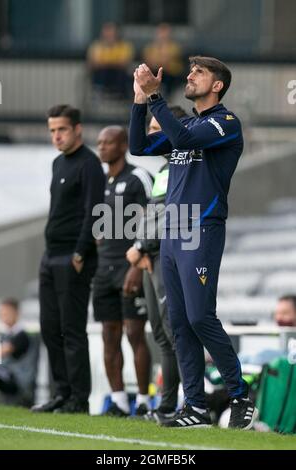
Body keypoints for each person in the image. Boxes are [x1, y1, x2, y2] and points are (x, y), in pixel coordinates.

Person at [129, 56, 258, 429]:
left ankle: (239, 394)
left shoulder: (225, 123)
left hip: (201, 229)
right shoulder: (185, 122)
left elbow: (183, 139)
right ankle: (196, 407)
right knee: (180, 323)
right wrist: (140, 100)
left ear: (217, 85)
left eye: (198, 72)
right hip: (172, 233)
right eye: (190, 71)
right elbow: (138, 145)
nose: (189, 76)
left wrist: (155, 99)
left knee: (201, 316)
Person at [32, 105, 105, 414]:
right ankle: (61, 392)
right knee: (50, 327)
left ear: (77, 129)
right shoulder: (57, 164)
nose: (56, 136)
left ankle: (79, 398)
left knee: (72, 329)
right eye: (51, 131)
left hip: (73, 257)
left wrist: (80, 251)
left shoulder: (89, 164)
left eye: (61, 129)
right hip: (51, 256)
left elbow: (95, 211)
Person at [126, 106, 187, 424]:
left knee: (173, 333)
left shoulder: (183, 166)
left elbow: (172, 216)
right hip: (151, 257)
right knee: (161, 335)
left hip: (166, 256)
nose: (151, 133)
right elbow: (152, 214)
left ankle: (187, 405)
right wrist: (141, 247)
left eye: (155, 127)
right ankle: (166, 406)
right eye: (148, 127)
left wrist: (142, 247)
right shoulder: (164, 169)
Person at [93, 126, 153, 417]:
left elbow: (152, 217)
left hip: (130, 268)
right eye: (100, 142)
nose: (102, 147)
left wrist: (137, 265)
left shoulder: (139, 176)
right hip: (104, 268)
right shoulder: (98, 181)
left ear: (123, 145)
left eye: (108, 142)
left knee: (135, 334)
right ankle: (117, 400)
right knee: (108, 334)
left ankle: (143, 400)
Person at [0, 298, 31, 405]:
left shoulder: (22, 335)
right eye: (2, 313)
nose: (3, 316)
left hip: (18, 382)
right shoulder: (6, 335)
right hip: (8, 378)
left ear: (16, 313)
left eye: (6, 313)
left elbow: (2, 351)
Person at [87, 22, 134, 97]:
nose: (109, 34)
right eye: (107, 32)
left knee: (124, 75)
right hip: (101, 75)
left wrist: (105, 62)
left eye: (111, 32)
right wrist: (113, 62)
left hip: (118, 75)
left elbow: (124, 63)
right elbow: (93, 63)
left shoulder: (125, 46)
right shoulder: (96, 46)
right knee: (102, 73)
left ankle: (120, 95)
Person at [142, 23, 183, 97]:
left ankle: (168, 97)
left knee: (167, 75)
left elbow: (166, 61)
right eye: (161, 32)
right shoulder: (150, 47)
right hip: (155, 71)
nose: (163, 35)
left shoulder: (175, 47)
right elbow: (148, 60)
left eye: (165, 33)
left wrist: (159, 59)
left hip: (170, 73)